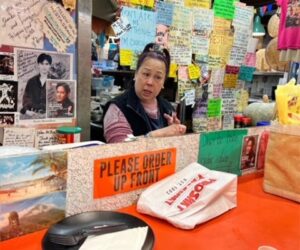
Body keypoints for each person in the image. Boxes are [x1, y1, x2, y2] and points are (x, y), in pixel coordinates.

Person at [103, 43, 186, 143]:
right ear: (136, 74)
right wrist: (160, 134)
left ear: (163, 82)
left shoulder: (168, 109)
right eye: (146, 74)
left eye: (158, 77)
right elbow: (120, 147)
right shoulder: (118, 108)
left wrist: (175, 135)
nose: (150, 82)